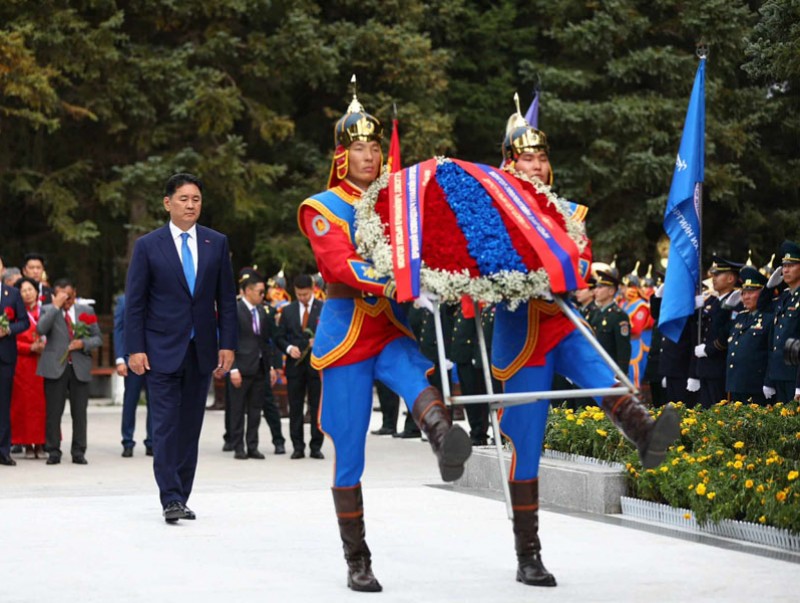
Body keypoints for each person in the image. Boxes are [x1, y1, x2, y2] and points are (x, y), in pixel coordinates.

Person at [491, 103, 679, 587]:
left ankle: (643, 434)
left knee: (603, 373)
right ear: (510, 164)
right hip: (521, 334)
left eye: (540, 158)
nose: (535, 166)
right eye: (525, 158)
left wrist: (569, 274)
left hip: (561, 320)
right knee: (527, 445)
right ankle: (527, 552)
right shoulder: (496, 212)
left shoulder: (569, 213)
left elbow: (582, 262)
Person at [297, 83, 471, 592]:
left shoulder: (400, 202)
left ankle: (444, 440)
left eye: (375, 148)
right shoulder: (321, 206)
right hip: (347, 333)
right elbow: (339, 264)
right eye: (359, 148)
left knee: (415, 376)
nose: (370, 156)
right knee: (350, 451)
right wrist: (402, 280)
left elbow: (430, 243)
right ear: (341, 154)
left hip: (389, 327)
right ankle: (357, 558)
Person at [125, 172, 237, 523]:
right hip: (160, 350)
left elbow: (226, 300)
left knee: (190, 426)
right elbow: (136, 303)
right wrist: (135, 348)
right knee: (165, 425)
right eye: (184, 199)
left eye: (196, 200)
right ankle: (170, 496)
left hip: (201, 350)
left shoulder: (215, 243)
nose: (191, 205)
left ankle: (181, 495)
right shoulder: (148, 246)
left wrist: (228, 344)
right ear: (167, 203)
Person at [36, 278, 102, 465]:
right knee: (53, 412)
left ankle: (79, 451)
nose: (67, 299)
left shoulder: (86, 311)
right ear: (55, 294)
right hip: (55, 367)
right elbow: (40, 329)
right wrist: (55, 307)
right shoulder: (48, 310)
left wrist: (84, 343)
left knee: (79, 412)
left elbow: (98, 338)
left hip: (79, 366)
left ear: (75, 293)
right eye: (62, 296)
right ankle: (53, 450)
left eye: (70, 295)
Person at [228, 271, 277, 459]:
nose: (263, 295)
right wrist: (232, 368)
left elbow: (266, 341)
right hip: (240, 367)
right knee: (238, 409)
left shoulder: (261, 311)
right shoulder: (236, 310)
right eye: (260, 292)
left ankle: (252, 445)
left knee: (255, 409)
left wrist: (270, 366)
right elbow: (229, 340)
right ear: (248, 291)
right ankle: (238, 445)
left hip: (259, 366)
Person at [275, 274, 324, 459]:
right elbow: (279, 337)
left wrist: (318, 343)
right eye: (299, 294)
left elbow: (333, 335)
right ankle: (297, 446)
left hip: (316, 366)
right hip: (295, 366)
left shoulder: (323, 308)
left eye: (305, 294)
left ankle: (316, 446)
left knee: (315, 406)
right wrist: (289, 348)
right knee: (295, 406)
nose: (302, 297)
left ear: (312, 290)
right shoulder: (288, 311)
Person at [690, 256, 743, 408]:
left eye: (718, 274)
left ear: (731, 278)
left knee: (718, 413)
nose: (713, 278)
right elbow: (699, 330)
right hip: (705, 368)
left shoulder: (736, 303)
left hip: (720, 367)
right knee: (705, 415)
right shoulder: (712, 301)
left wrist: (709, 349)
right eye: (713, 274)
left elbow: (729, 333)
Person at [11, 278, 46, 458]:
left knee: (42, 405)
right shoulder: (15, 313)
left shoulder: (45, 310)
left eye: (30, 289)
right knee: (23, 405)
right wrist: (29, 347)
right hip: (23, 364)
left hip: (43, 363)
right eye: (23, 290)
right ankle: (27, 444)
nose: (27, 293)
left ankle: (41, 443)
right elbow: (10, 339)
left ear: (36, 291)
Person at [114, 293, 152, 457]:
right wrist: (120, 359)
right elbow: (119, 329)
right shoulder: (124, 300)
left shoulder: (158, 297)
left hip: (155, 360)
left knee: (156, 403)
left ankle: (152, 441)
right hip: (132, 360)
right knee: (130, 401)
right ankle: (127, 441)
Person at [726, 266, 770, 404]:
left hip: (755, 386)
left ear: (762, 293)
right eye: (744, 293)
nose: (746, 297)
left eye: (751, 292)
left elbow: (770, 353)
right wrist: (725, 309)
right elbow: (721, 334)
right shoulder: (741, 317)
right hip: (736, 384)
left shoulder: (768, 318)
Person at [764, 240, 800, 403]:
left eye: (791, 265)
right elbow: (761, 308)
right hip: (779, 373)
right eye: (784, 266)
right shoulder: (785, 297)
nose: (785, 270)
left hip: (794, 375)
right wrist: (769, 288)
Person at [0, 271, 29, 466]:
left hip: (5, 356)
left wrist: (8, 329)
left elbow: (24, 321)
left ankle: (3, 450)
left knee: (3, 405)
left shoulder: (12, 293)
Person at [590, 270, 632, 372]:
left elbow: (623, 349)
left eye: (600, 287)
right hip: (594, 367)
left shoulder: (619, 316)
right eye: (596, 287)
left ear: (611, 291)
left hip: (609, 369)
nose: (596, 291)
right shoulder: (595, 313)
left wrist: (621, 374)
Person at [619, 264, 654, 389]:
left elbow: (636, 329)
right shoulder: (624, 304)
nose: (625, 290)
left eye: (630, 286)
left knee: (633, 378)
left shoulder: (641, 306)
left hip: (634, 345)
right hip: (622, 345)